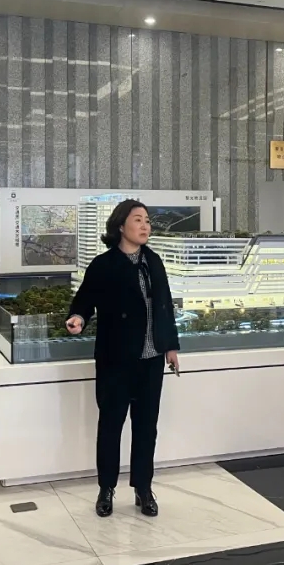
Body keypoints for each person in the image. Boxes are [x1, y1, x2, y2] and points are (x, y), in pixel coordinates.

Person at [66, 199, 181, 519]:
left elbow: (165, 307)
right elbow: (84, 300)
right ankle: (106, 489)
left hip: (151, 358)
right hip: (116, 359)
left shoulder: (153, 261)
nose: (145, 226)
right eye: (138, 220)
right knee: (111, 426)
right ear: (120, 226)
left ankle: (144, 488)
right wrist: (78, 317)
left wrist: (171, 347)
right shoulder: (103, 265)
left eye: (147, 221)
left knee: (146, 428)